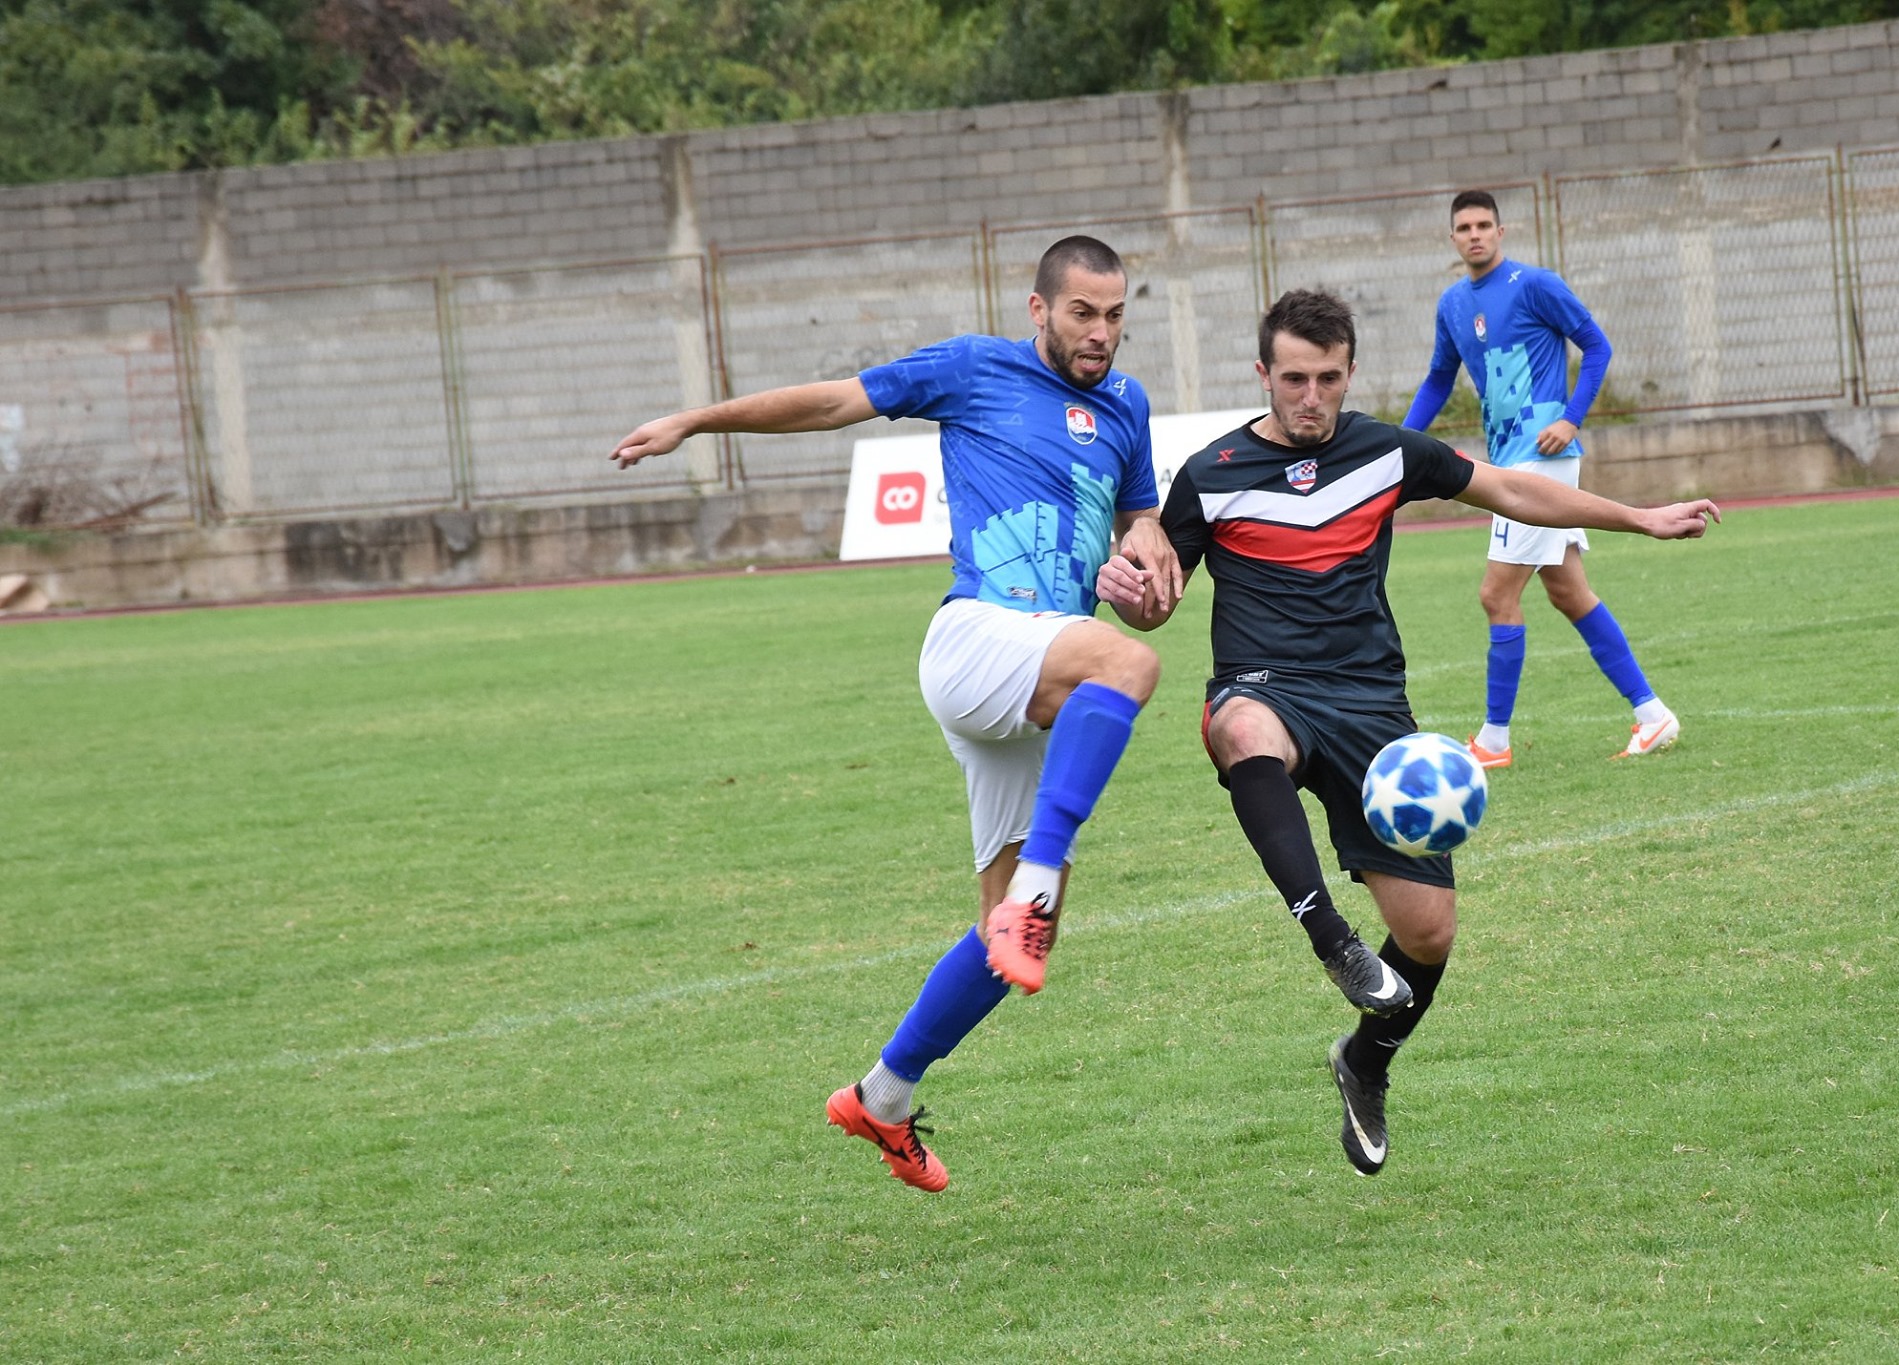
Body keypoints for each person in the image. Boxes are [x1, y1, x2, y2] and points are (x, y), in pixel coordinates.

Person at [1098, 289, 1717, 1176]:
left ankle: (1365, 1060)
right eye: (1295, 378)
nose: (1312, 397)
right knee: (1240, 730)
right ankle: (1331, 939)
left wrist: (1636, 515)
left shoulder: (1386, 451)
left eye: (1330, 379)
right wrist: (1141, 599)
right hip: (1263, 682)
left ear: (1350, 375)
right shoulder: (1212, 471)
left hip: (1373, 707)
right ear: (1263, 374)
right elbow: (1162, 602)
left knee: (1428, 936)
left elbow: (1508, 486)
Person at [611, 236, 1186, 1193]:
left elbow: (1136, 522)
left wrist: (1149, 557)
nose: (1101, 332)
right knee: (1127, 669)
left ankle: (880, 1096)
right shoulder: (972, 368)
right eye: (1083, 313)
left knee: (1004, 937)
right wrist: (695, 421)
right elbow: (836, 401)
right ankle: (1035, 885)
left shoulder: (1127, 407)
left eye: (1116, 314)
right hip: (976, 639)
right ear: (1038, 311)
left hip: (1040, 669)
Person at [1402, 189, 1681, 769]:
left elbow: (1597, 347)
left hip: (1543, 458)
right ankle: (1653, 716)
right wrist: (1394, 444)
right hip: (1509, 462)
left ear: (1501, 232)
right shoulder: (1453, 304)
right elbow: (1437, 380)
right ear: (1451, 239)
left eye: (1484, 224)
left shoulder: (1535, 285)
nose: (1475, 234)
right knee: (1568, 592)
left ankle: (1494, 742)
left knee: (1496, 594)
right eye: (1464, 227)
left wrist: (1570, 417)